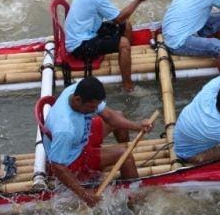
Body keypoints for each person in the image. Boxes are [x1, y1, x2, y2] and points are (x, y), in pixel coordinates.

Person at [45, 76, 155, 206]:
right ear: (78, 99)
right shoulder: (65, 129)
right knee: (125, 155)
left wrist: (138, 126)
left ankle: (125, 170)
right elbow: (58, 166)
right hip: (73, 161)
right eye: (92, 107)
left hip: (79, 138)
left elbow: (110, 117)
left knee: (119, 115)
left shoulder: (75, 89)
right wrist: (83, 194)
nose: (95, 110)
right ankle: (136, 196)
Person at [64, 0, 151, 93]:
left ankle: (126, 57)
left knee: (126, 25)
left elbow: (121, 20)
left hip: (87, 31)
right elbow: (119, 18)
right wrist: (138, 0)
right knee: (123, 42)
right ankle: (128, 86)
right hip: (80, 46)